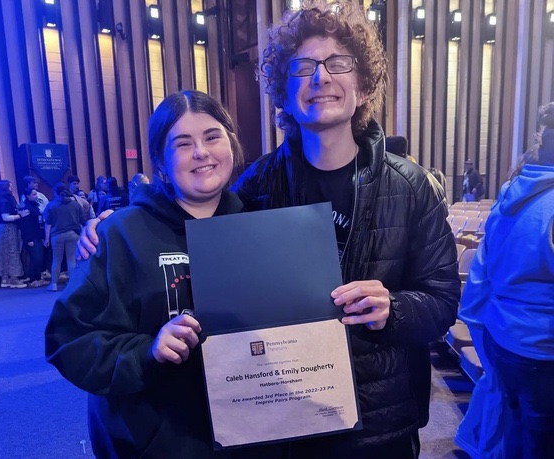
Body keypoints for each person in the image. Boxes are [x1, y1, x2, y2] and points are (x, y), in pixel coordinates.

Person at [77, 2, 460, 457]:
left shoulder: (411, 185)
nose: (321, 78)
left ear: (362, 84)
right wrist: (114, 224)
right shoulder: (255, 186)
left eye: (338, 63)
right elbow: (186, 225)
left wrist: (392, 308)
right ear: (283, 89)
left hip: (381, 425)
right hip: (282, 420)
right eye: (303, 67)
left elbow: (442, 301)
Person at [46, 90, 282, 459]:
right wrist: (147, 351)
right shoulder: (119, 234)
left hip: (247, 436)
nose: (201, 152)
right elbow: (69, 339)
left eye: (212, 136)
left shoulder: (258, 229)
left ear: (232, 145)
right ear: (161, 160)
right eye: (183, 143)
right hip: (157, 442)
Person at [456, 101, 554, 458]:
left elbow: (481, 274)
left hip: (504, 338)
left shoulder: (512, 196)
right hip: (541, 348)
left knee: (516, 434)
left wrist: (484, 335)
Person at [43, 182, 85, 292]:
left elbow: (48, 223)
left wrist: (46, 238)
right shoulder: (75, 204)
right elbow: (82, 220)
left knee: (56, 260)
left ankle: (53, 284)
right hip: (73, 234)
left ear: (55, 193)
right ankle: (72, 284)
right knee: (71, 259)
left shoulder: (51, 205)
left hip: (56, 236)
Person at [0, 180, 29, 288]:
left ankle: (4, 278)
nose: (12, 188)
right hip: (8, 228)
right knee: (12, 251)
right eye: (10, 186)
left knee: (2, 252)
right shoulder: (6, 201)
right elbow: (6, 217)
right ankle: (14, 278)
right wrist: (21, 215)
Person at [19, 188, 46, 287]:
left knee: (39, 258)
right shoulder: (26, 209)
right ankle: (34, 279)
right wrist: (29, 239)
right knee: (36, 258)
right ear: (28, 196)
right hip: (31, 237)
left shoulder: (35, 207)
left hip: (38, 235)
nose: (36, 196)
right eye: (34, 194)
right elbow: (25, 226)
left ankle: (36, 278)